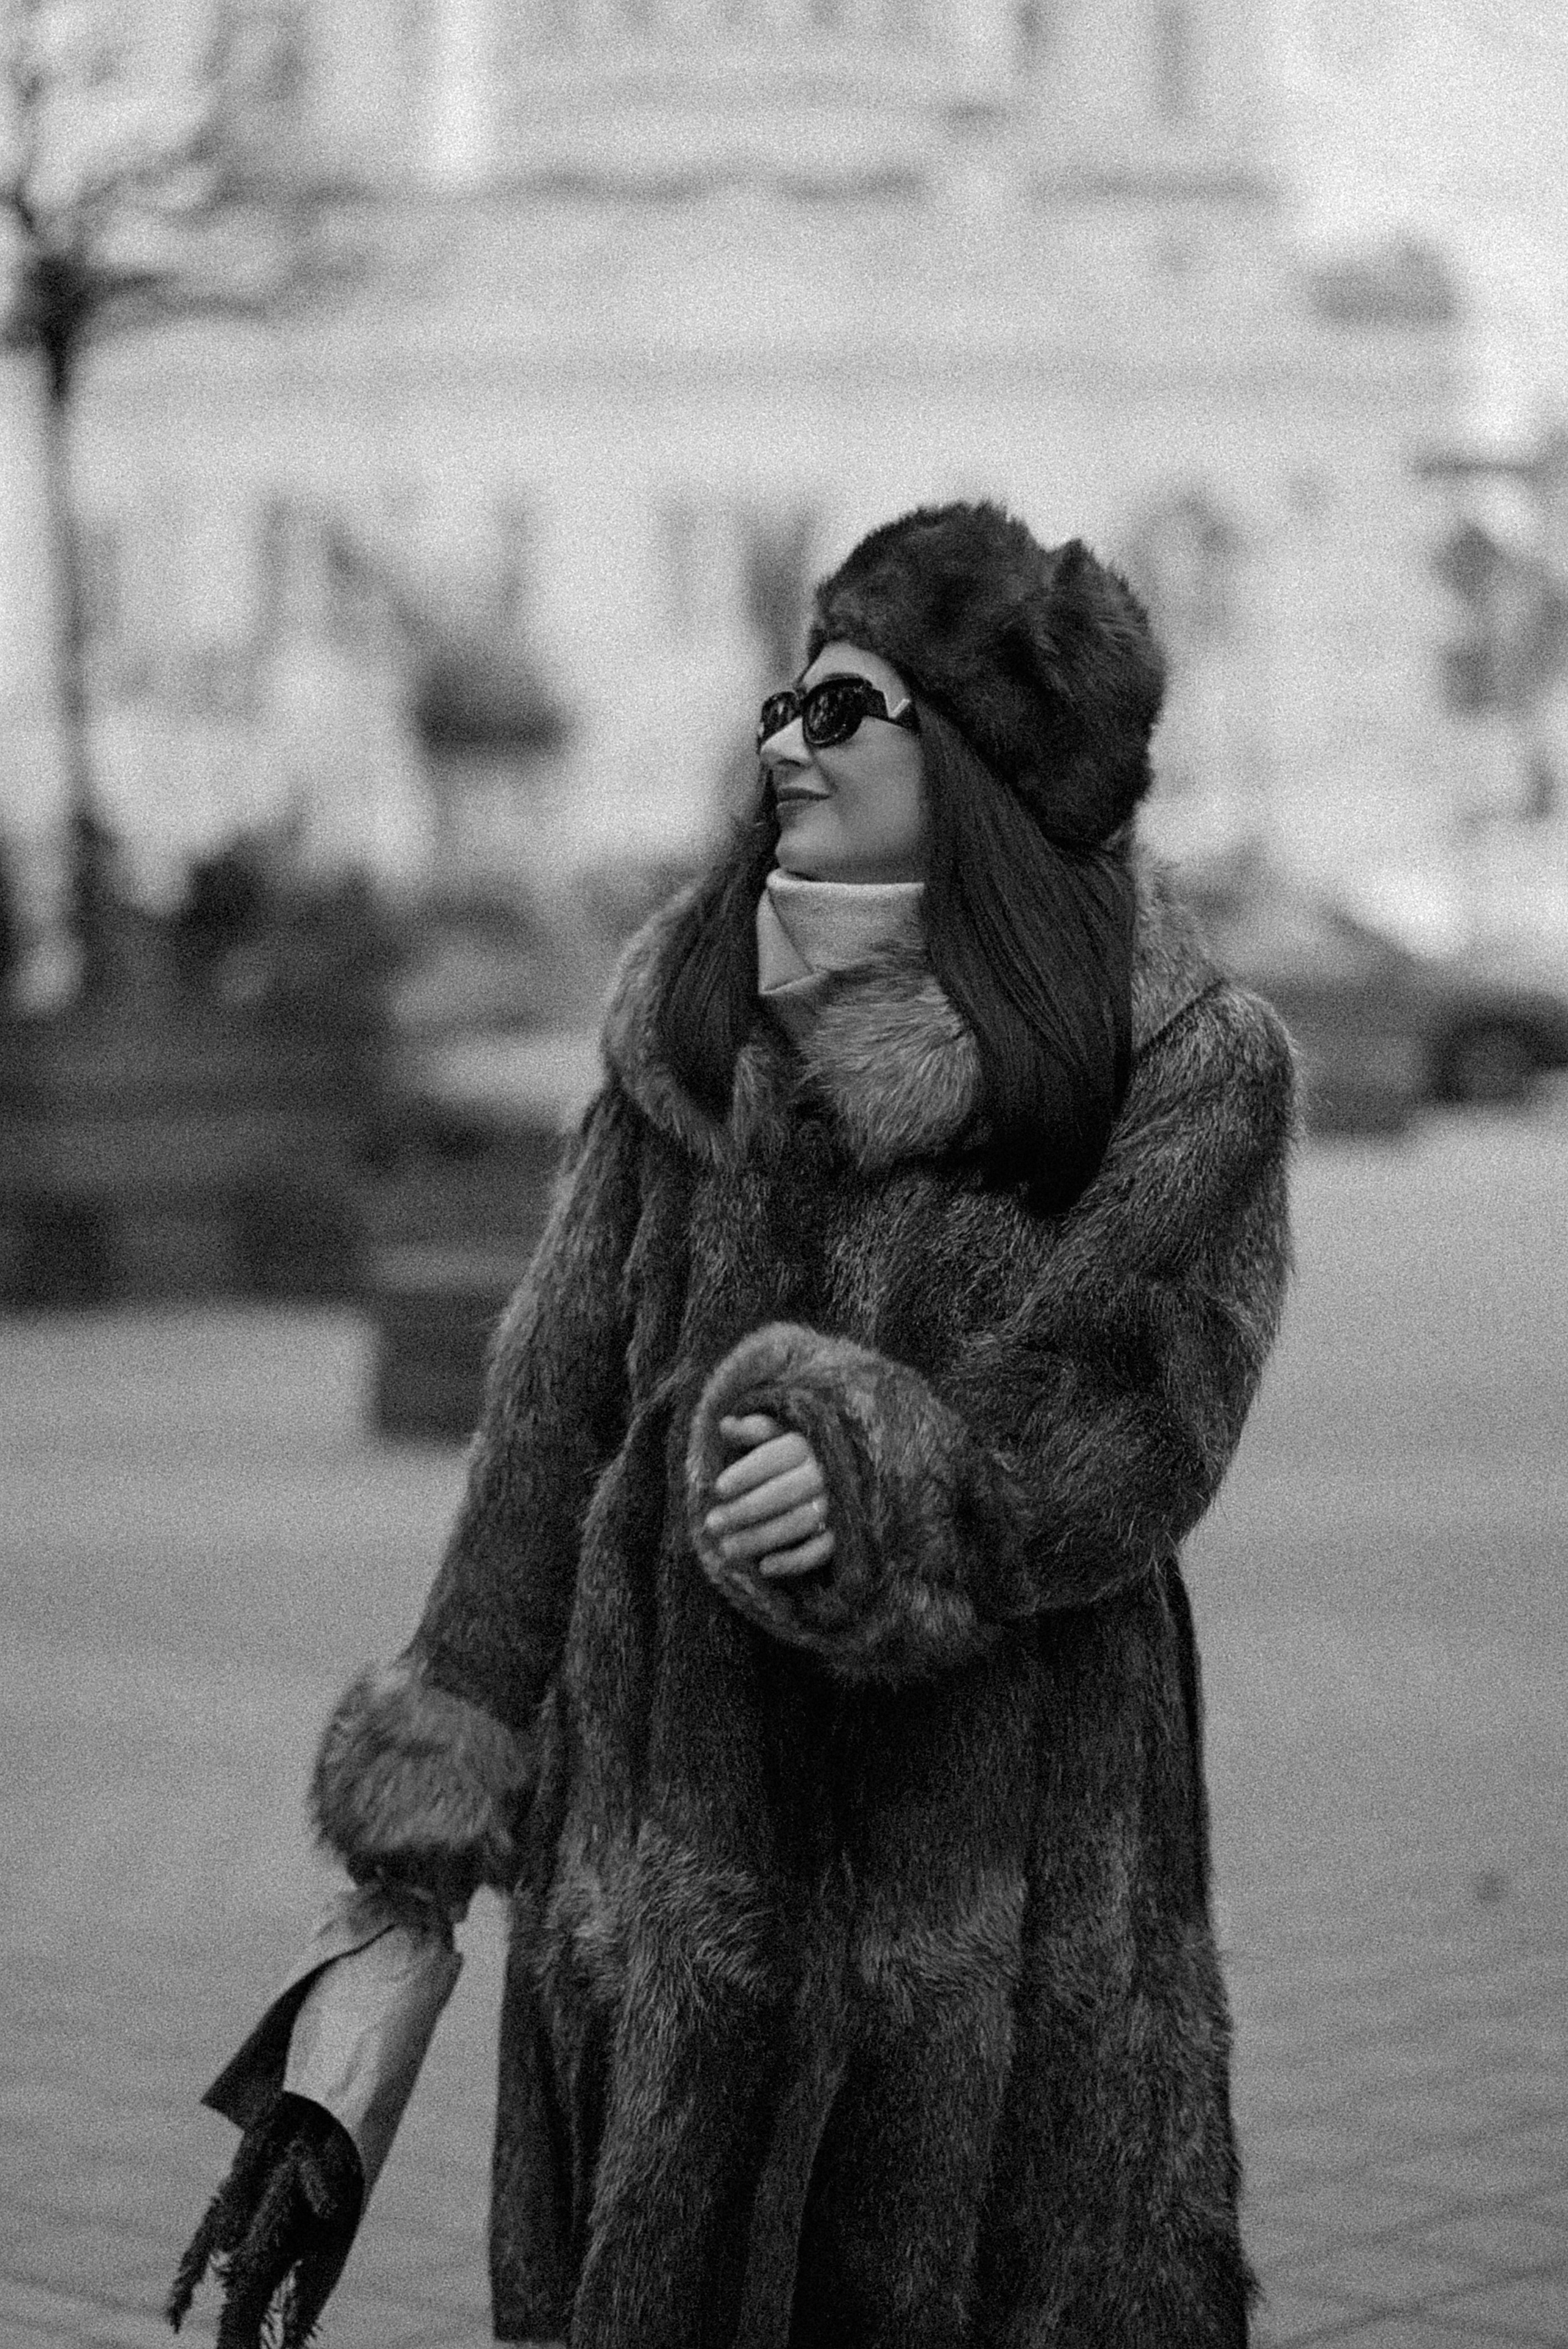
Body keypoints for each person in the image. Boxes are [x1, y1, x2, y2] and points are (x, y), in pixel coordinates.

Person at [172, 500, 1296, 2348]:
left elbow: (1145, 1422)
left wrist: (887, 1468)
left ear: (984, 768)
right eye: (793, 692)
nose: (789, 735)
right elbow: (540, 1445)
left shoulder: (1178, 1059)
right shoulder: (686, 1023)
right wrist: (398, 1893)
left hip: (996, 1937)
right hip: (665, 1908)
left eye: (850, 708)